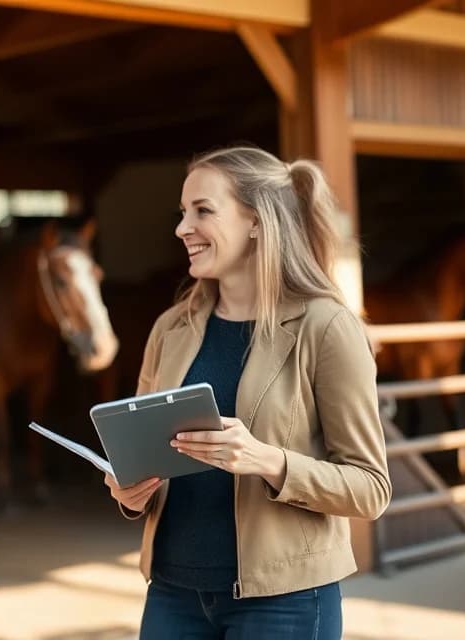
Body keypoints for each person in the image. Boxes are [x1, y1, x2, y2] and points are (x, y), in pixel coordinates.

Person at [104, 146, 391, 639]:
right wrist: (128, 492)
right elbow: (142, 460)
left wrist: (267, 460)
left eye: (203, 210)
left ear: (257, 221)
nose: (182, 228)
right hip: (172, 593)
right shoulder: (169, 329)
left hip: (285, 602)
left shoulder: (325, 327)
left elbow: (371, 488)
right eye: (182, 212)